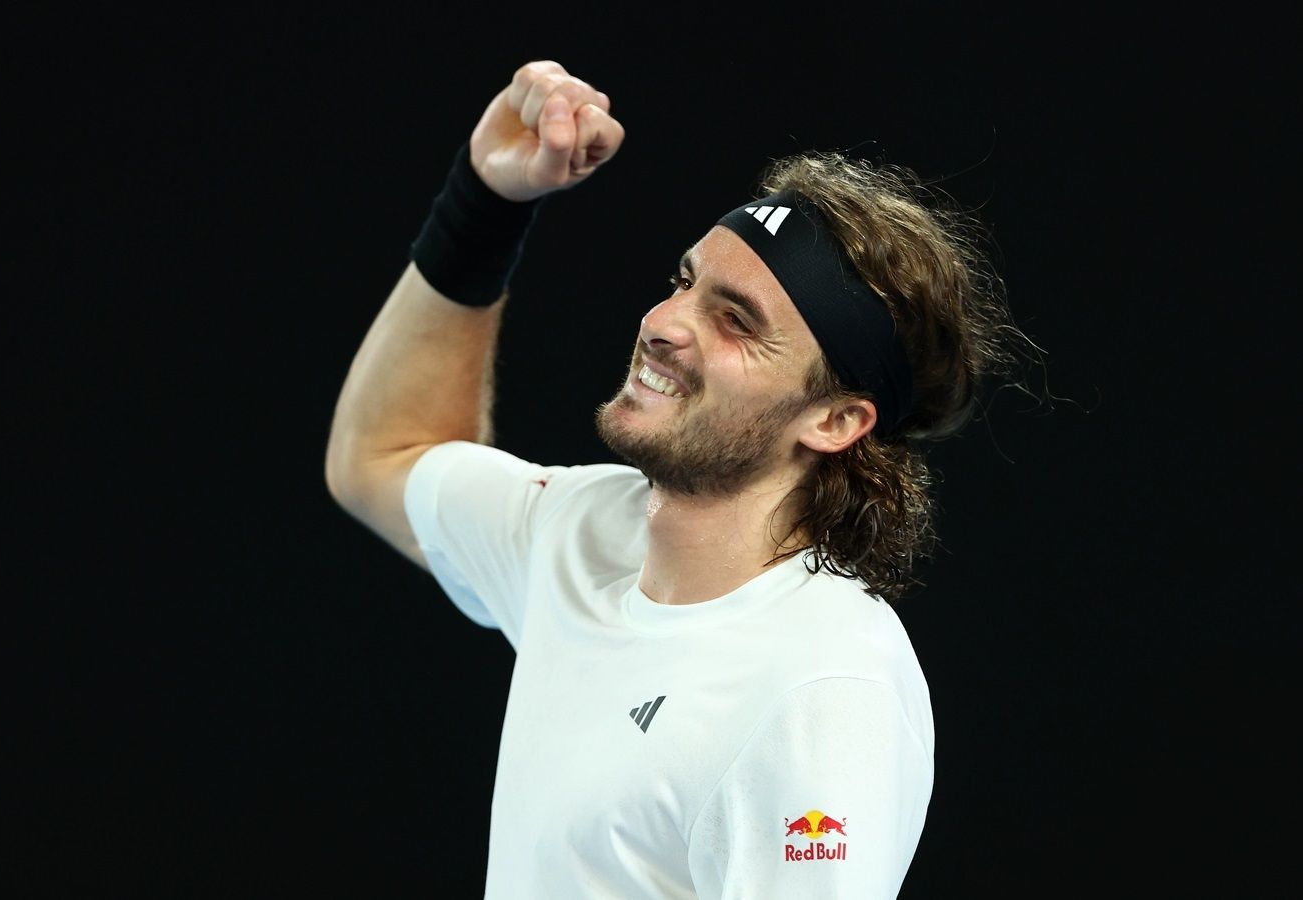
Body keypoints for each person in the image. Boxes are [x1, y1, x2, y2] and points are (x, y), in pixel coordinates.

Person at [325, 59, 1037, 898]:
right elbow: (382, 455)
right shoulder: (577, 529)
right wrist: (484, 204)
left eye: (735, 322)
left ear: (836, 420)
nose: (663, 323)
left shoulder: (825, 691)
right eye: (685, 283)